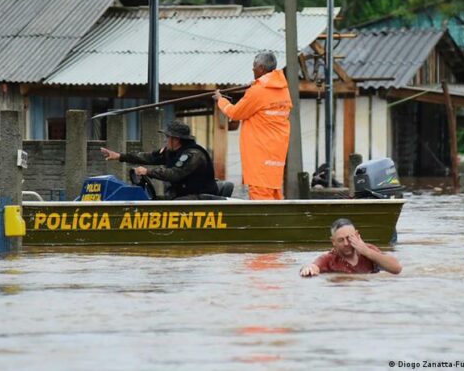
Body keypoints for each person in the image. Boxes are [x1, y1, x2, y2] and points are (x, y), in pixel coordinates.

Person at [213, 52, 292, 200]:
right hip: (276, 154)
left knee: (260, 196)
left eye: (254, 67)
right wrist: (254, 86)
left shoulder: (258, 90)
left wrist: (221, 100)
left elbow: (235, 113)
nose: (252, 70)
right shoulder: (283, 89)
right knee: (274, 193)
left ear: (261, 68)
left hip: (259, 153)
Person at [100, 120, 218, 199]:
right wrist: (120, 156)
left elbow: (174, 174)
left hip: (200, 197)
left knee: (171, 207)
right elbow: (150, 157)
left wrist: (148, 172)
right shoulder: (172, 152)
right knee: (155, 200)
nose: (165, 140)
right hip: (181, 194)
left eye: (167, 137)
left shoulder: (193, 155)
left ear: (176, 139)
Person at [300, 218, 402, 276]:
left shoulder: (369, 251)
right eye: (341, 240)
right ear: (333, 242)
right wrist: (307, 269)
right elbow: (314, 266)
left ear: (357, 235)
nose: (346, 243)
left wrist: (367, 252)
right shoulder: (329, 259)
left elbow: (397, 268)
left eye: (349, 238)